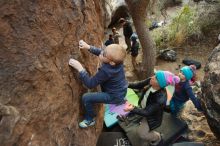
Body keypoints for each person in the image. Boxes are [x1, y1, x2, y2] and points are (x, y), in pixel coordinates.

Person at [69, 40, 127, 128]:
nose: (101, 53)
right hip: (121, 90)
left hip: (114, 96)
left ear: (111, 63)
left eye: (104, 55)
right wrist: (88, 47)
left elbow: (90, 84)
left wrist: (80, 68)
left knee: (86, 97)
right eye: (104, 50)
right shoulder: (117, 61)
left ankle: (90, 119)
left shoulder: (107, 71)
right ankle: (120, 99)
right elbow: (102, 52)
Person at [118, 71, 180, 146]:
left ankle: (157, 137)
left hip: (151, 117)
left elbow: (147, 112)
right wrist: (126, 85)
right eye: (155, 75)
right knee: (137, 116)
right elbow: (138, 84)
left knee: (142, 134)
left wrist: (132, 109)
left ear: (160, 84)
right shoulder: (151, 81)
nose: (153, 77)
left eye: (156, 78)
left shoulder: (160, 99)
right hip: (144, 107)